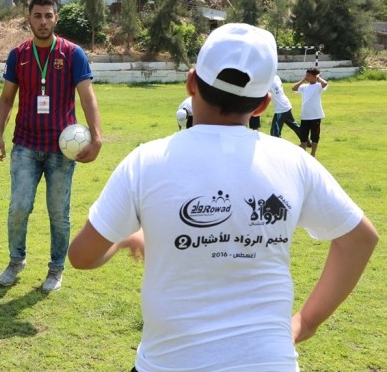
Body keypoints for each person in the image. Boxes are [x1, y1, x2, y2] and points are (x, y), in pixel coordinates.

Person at [69, 23, 378, 372]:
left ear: (191, 83)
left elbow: (81, 256)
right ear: (262, 105)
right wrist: (306, 322)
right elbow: (360, 239)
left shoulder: (146, 161)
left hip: (169, 364)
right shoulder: (294, 161)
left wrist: (126, 237)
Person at [0, 0, 102, 292]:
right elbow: (6, 99)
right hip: (25, 144)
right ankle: (16, 261)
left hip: (62, 149)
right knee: (19, 207)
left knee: (58, 212)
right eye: (37, 16)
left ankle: (56, 268)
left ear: (56, 18)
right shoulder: (18, 55)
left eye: (48, 15)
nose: (43, 21)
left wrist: (97, 136)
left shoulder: (73, 53)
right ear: (29, 19)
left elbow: (87, 97)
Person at [292, 67, 328, 157]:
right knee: (303, 136)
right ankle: (304, 154)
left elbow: (325, 83)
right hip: (305, 116)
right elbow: (294, 88)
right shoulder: (305, 87)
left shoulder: (318, 86)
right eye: (306, 75)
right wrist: (302, 80)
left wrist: (318, 78)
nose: (306, 77)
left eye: (308, 75)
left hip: (315, 115)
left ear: (314, 76)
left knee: (315, 136)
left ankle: (313, 154)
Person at [269, 74, 301, 140]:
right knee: (294, 126)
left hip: (281, 108)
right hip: (285, 105)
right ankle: (307, 141)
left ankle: (278, 146)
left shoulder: (268, 81)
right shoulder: (276, 77)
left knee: (274, 132)